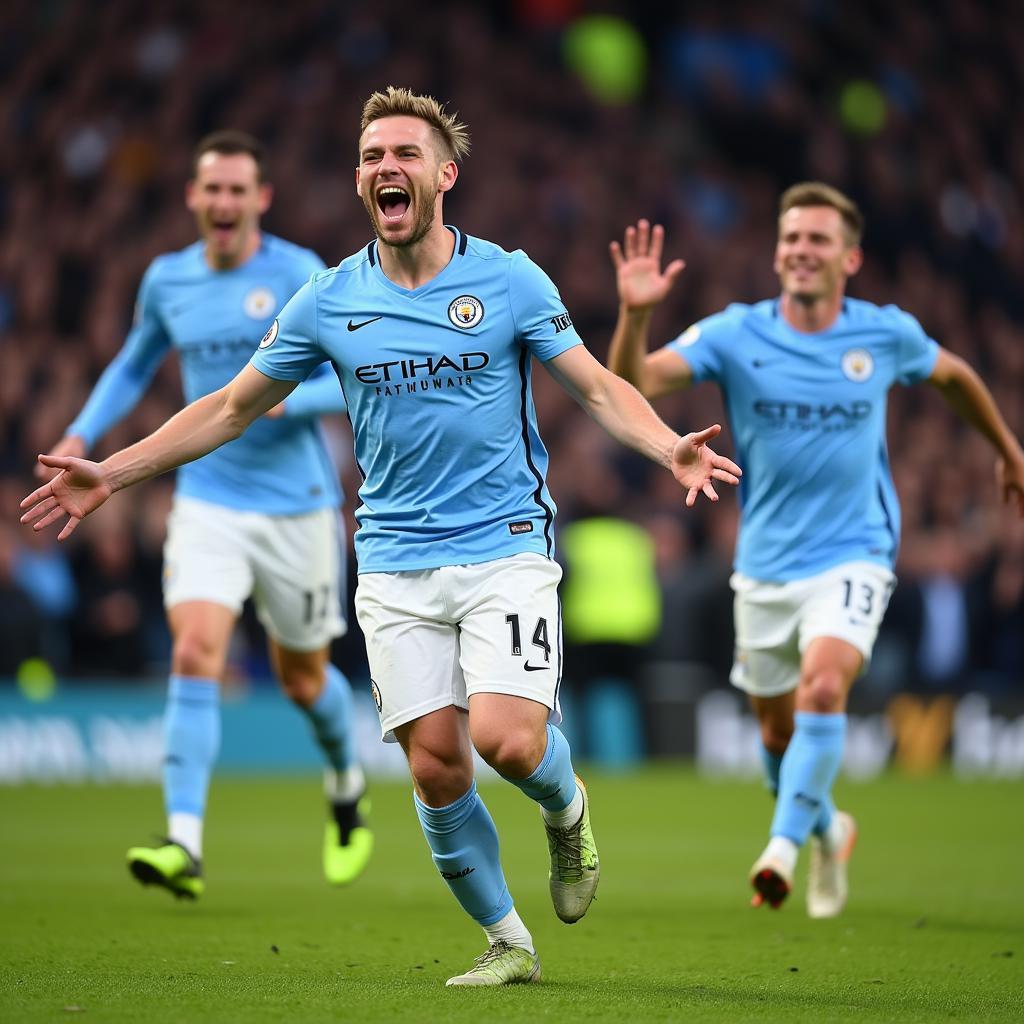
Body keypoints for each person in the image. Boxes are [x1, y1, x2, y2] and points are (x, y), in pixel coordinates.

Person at [21, 87, 741, 986]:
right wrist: (114, 472)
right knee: (438, 771)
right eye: (370, 157)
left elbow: (596, 386)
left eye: (404, 153)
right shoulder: (327, 299)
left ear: (445, 174)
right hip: (392, 563)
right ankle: (508, 943)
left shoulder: (510, 279)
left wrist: (669, 443)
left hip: (503, 545)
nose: (385, 168)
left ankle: (568, 810)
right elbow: (233, 406)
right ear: (359, 181)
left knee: (508, 742)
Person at [606, 187, 1024, 918]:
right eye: (791, 236)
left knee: (823, 690)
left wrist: (1007, 451)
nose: (801, 248)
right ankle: (831, 827)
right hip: (765, 563)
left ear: (850, 258)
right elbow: (633, 379)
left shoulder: (883, 335)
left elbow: (955, 377)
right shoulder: (736, 334)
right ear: (776, 252)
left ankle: (782, 848)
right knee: (774, 730)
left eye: (819, 239)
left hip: (856, 550)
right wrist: (637, 313)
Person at [35, 131, 372, 899]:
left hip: (298, 509)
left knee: (301, 680)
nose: (223, 203)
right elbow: (133, 360)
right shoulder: (167, 280)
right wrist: (82, 432)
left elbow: (354, 377)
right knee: (195, 651)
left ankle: (346, 780)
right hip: (208, 498)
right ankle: (182, 841)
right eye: (210, 190)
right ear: (192, 197)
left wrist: (292, 401)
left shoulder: (298, 274)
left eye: (237, 191)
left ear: (261, 200)